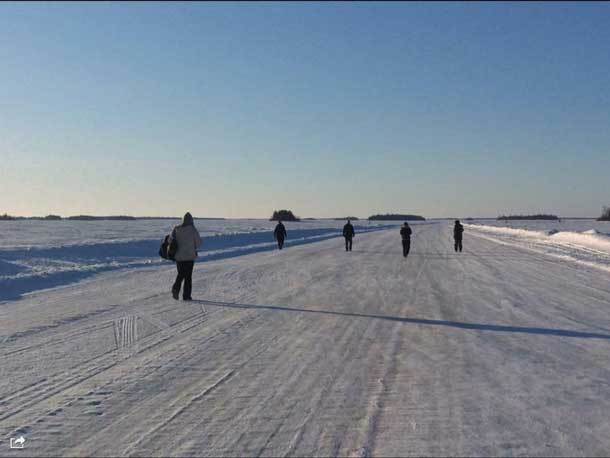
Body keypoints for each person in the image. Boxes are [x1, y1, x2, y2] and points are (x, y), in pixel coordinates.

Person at [170, 212, 202, 301]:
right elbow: (199, 243)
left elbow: (170, 240)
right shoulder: (192, 229)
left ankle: (176, 289)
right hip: (189, 257)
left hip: (179, 257)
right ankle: (186, 296)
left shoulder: (176, 229)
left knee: (181, 274)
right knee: (188, 277)